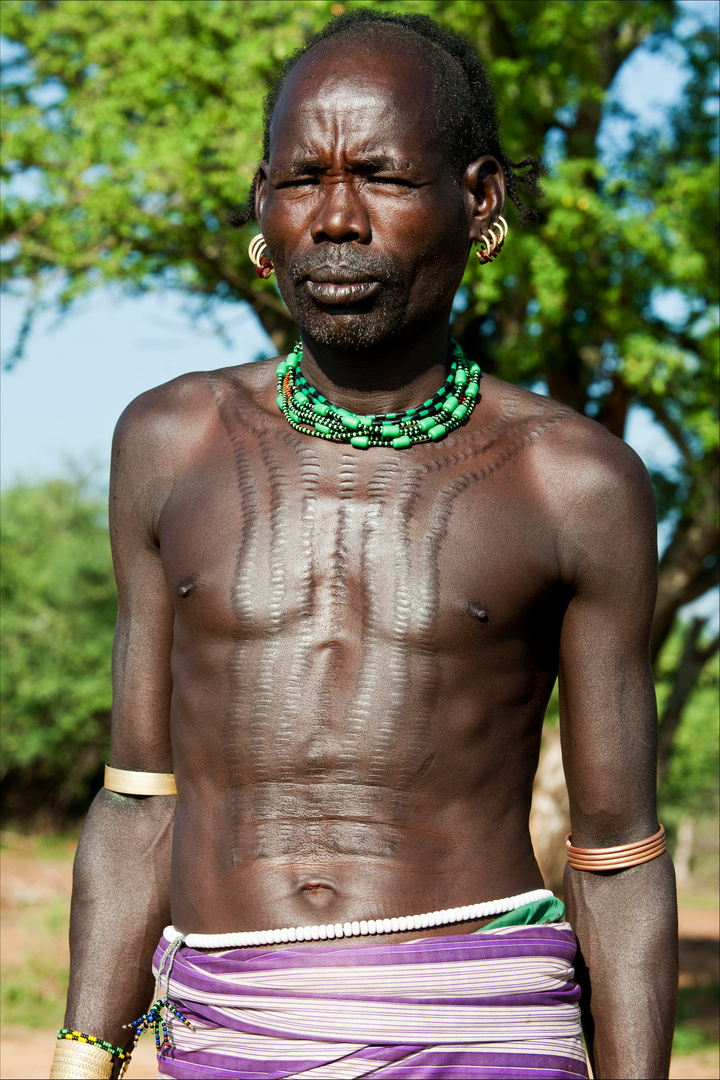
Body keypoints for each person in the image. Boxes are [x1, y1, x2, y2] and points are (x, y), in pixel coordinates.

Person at [51, 10, 678, 1080]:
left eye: (380, 177)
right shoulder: (169, 444)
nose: (336, 219)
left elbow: (617, 861)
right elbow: (137, 796)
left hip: (484, 1034)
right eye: (303, 178)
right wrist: (82, 1054)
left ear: (476, 199)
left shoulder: (573, 481)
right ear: (263, 203)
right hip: (227, 1041)